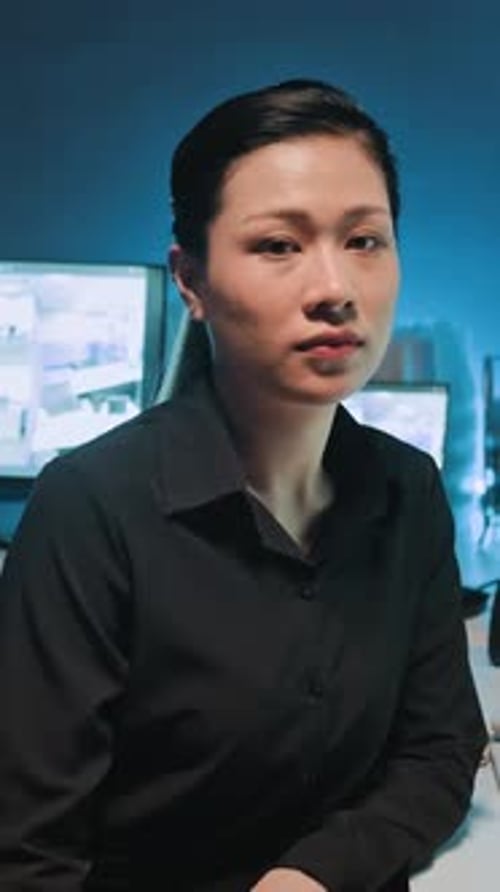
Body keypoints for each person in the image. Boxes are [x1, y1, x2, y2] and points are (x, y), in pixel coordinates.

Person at [0, 79, 487, 892]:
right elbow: (29, 857)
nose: (335, 287)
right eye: (278, 246)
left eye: (365, 240)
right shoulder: (91, 508)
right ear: (189, 281)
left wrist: (312, 876)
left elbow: (438, 755)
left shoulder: (410, 491)